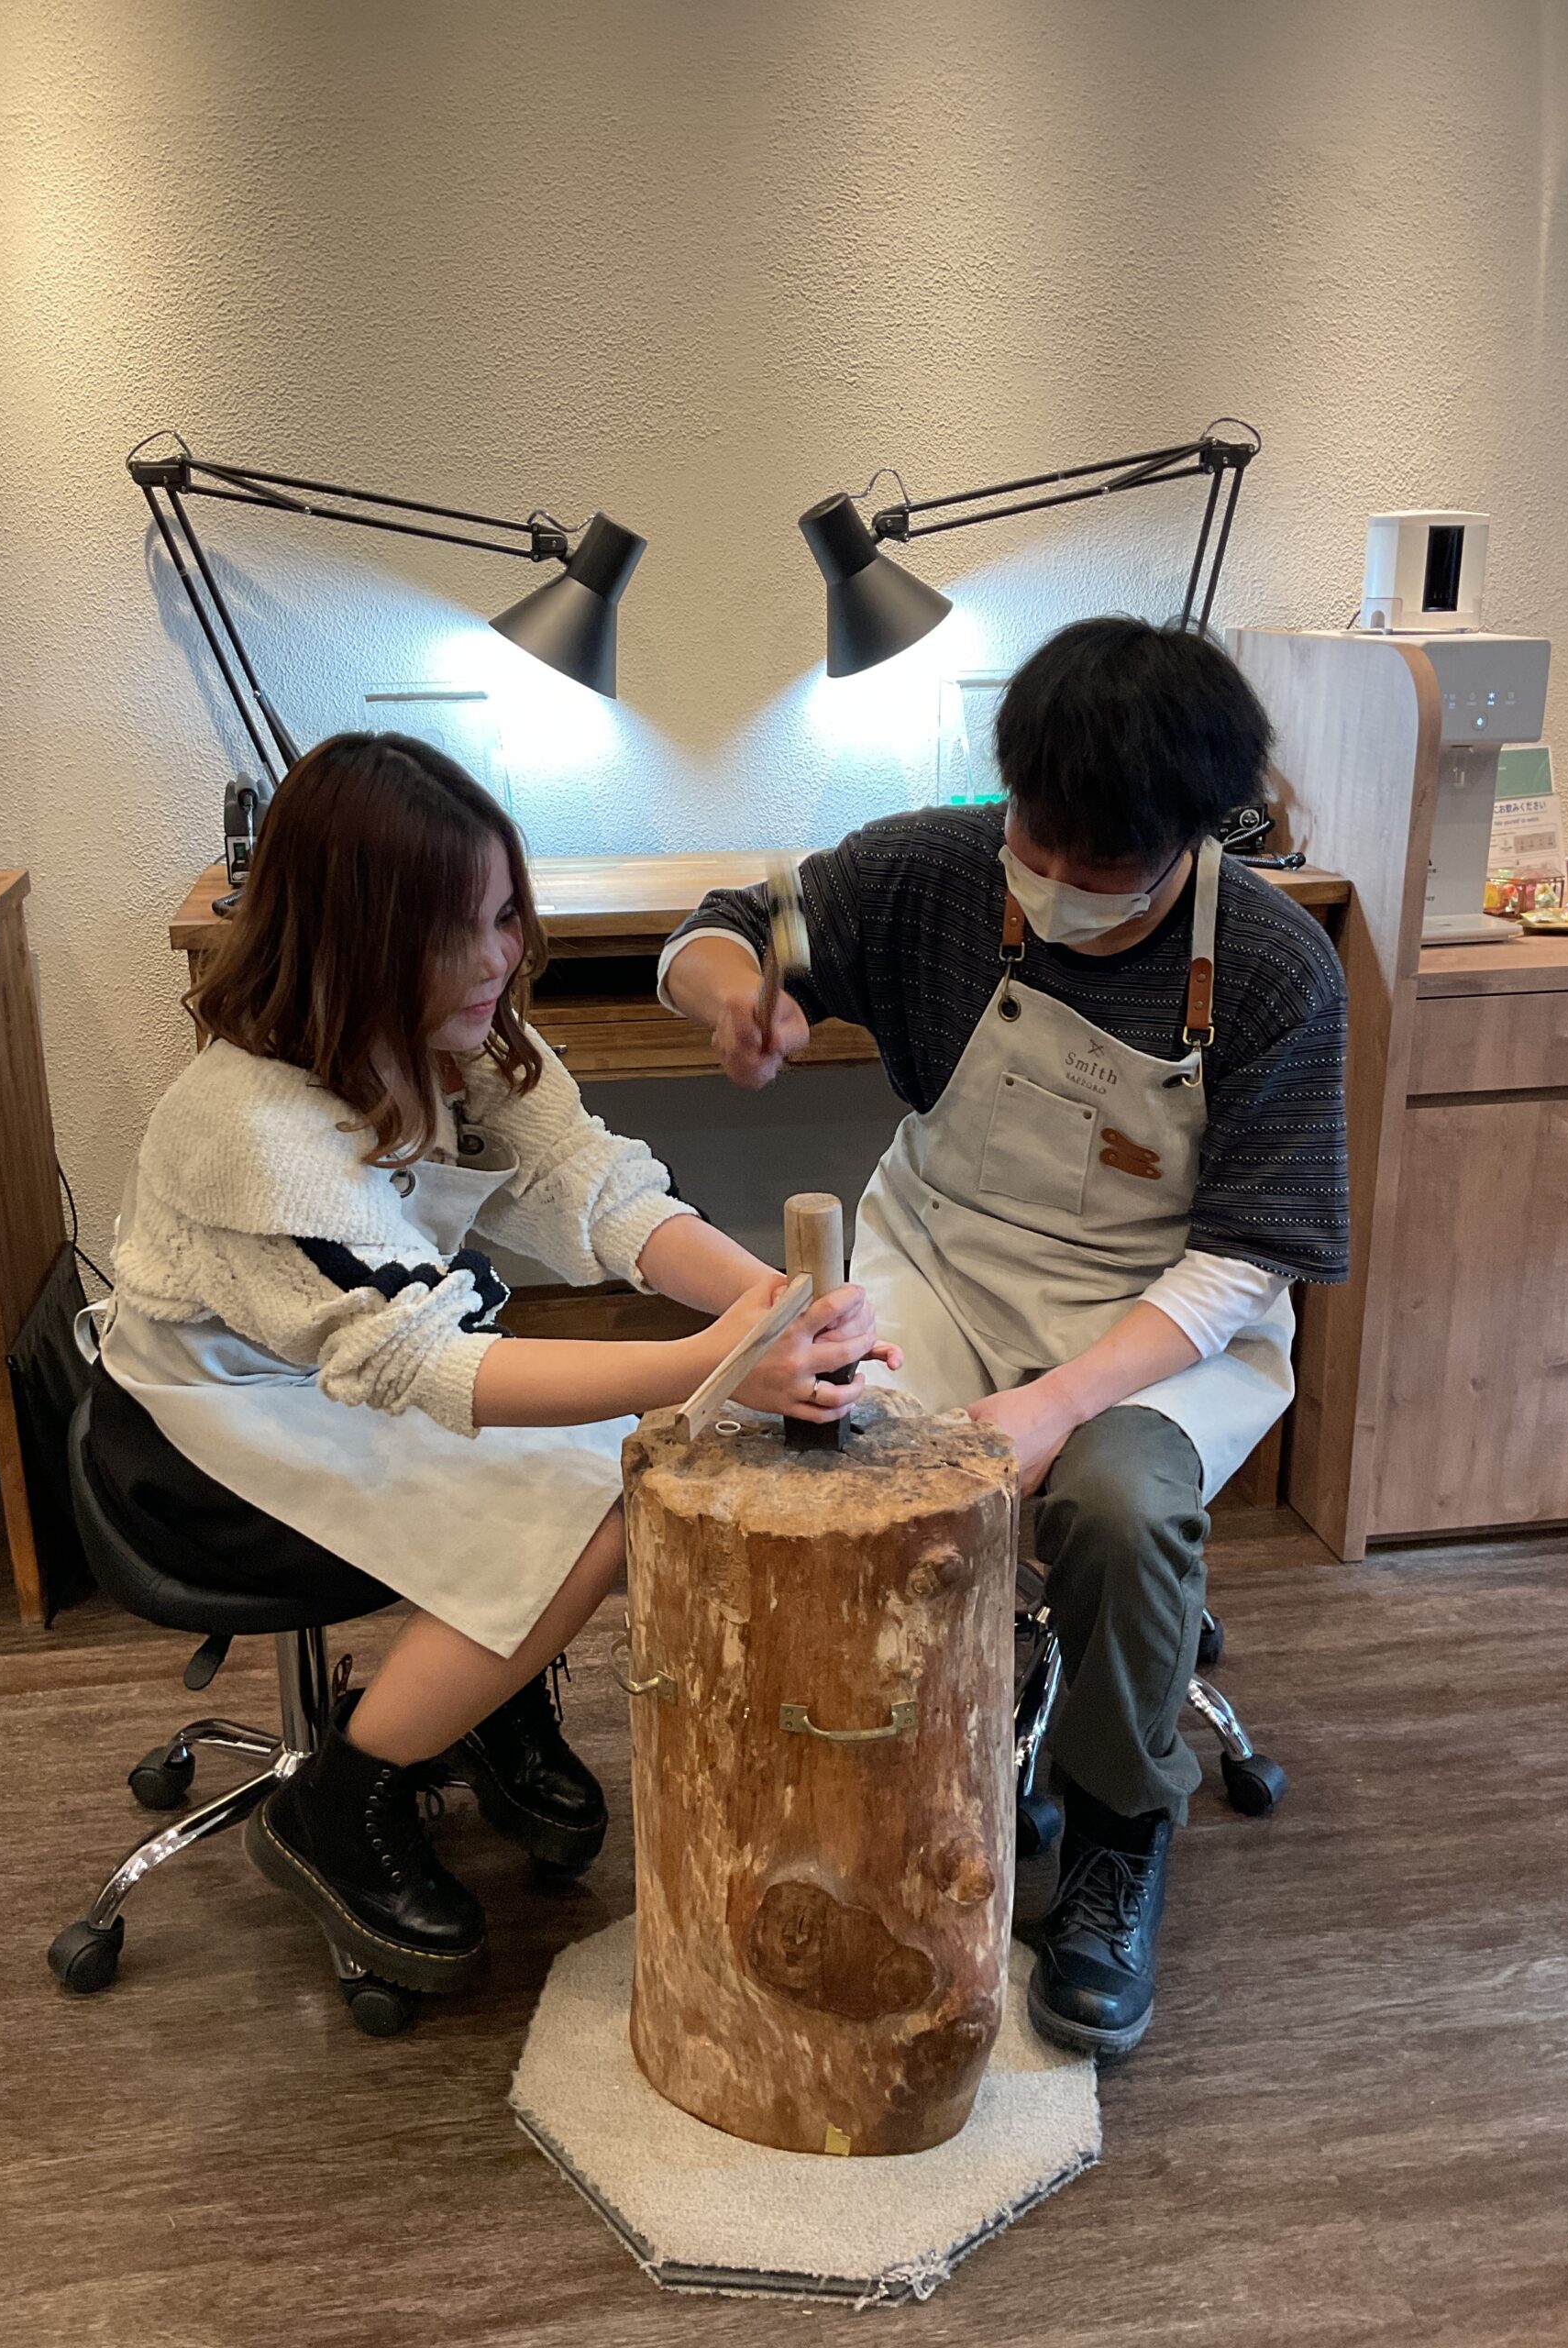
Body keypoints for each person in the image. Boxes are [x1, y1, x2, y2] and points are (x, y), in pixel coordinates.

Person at [88, 733, 894, 1997]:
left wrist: (770, 1304)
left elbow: (591, 1185)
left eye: (506, 914)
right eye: (449, 931)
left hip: (354, 1368)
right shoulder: (248, 1131)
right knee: (608, 1497)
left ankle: (484, 1692)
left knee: (605, 1461)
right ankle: (337, 1804)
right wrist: (710, 1365)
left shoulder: (454, 1037)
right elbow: (427, 1366)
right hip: (203, 1430)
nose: (495, 959)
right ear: (348, 937)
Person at [659, 618, 1348, 2059]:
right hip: (946, 1263)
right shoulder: (933, 872)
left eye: (1103, 865)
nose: (1059, 882)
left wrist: (1058, 1405)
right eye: (1038, 841)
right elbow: (721, 925)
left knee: (1118, 1506)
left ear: (1189, 835)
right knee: (829, 1446)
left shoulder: (1274, 968)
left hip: (1165, 1319)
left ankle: (1115, 1837)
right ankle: (865, 1780)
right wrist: (732, 996)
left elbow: (1249, 1255)